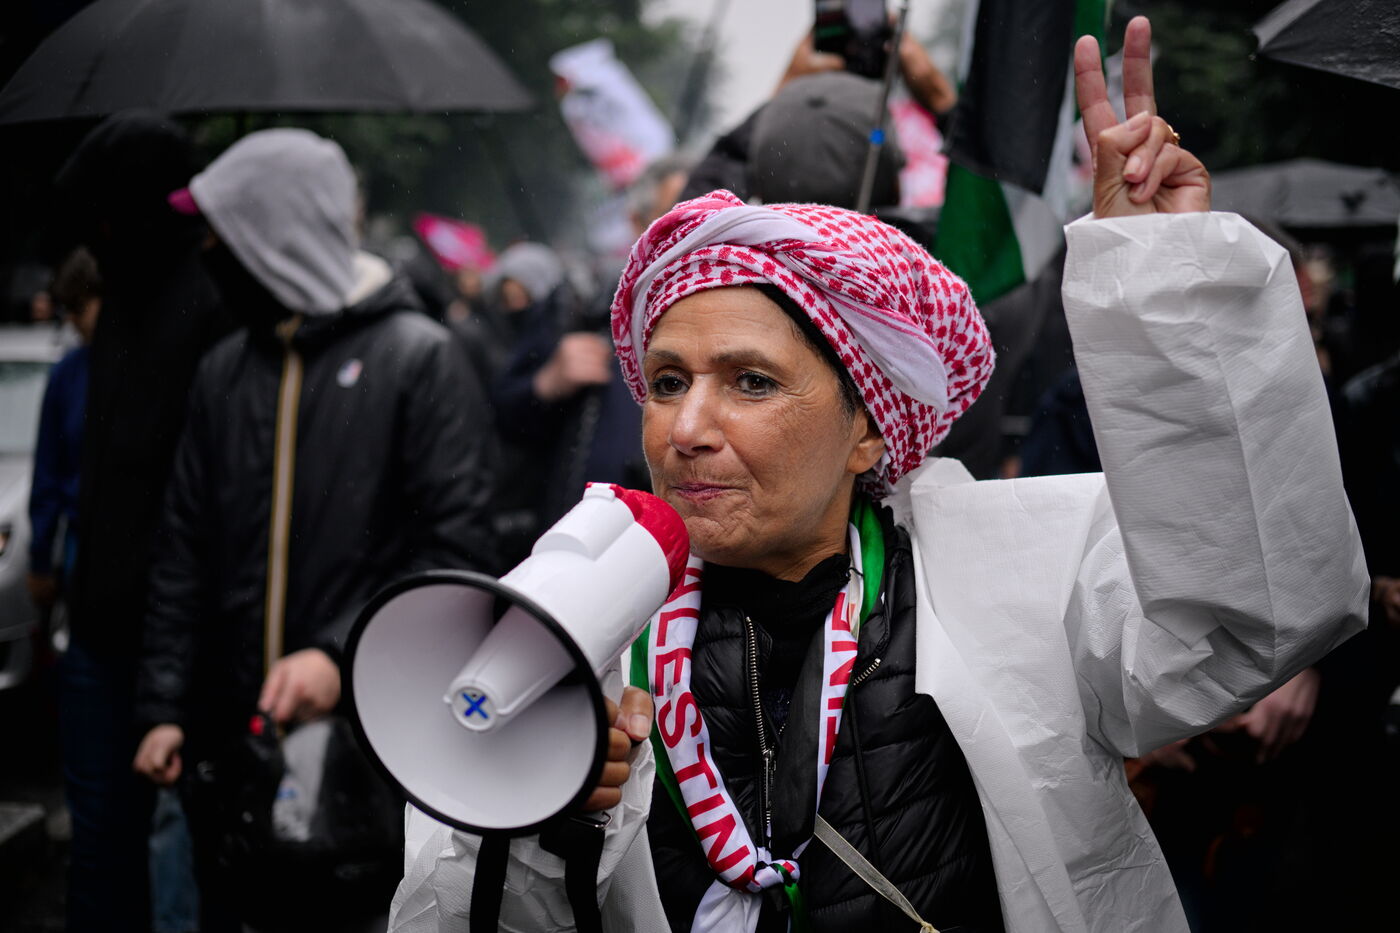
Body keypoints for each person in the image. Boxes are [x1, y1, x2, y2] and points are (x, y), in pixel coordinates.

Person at [386, 17, 1367, 933]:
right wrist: (547, 818)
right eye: (667, 380)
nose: (684, 427)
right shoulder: (564, 620)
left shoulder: (1019, 578)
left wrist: (1167, 289)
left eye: (752, 382)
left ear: (866, 428)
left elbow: (1245, 619)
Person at [130, 128, 497, 932]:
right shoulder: (224, 369)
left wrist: (340, 656)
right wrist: (162, 705)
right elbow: (182, 550)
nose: (210, 253)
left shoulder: (420, 359)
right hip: (232, 747)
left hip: (368, 756)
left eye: (224, 234)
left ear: (274, 235)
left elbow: (457, 557)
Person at [47, 111, 232, 933]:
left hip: (175, 632)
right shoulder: (120, 300)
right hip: (101, 625)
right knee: (107, 843)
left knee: (179, 845)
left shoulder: (210, 304)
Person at [27, 247, 100, 618]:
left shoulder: (141, 368)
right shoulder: (67, 374)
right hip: (81, 538)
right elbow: (47, 473)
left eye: (78, 308)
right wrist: (40, 559)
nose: (72, 320)